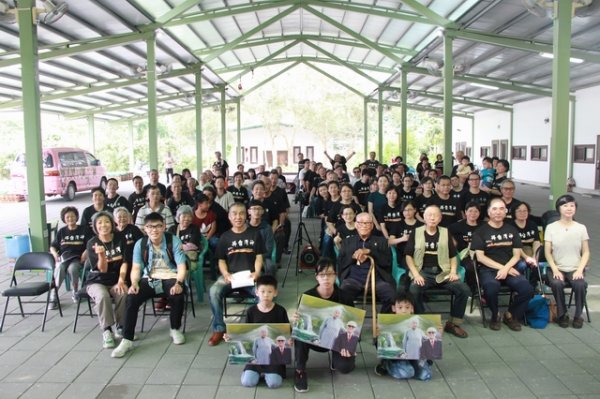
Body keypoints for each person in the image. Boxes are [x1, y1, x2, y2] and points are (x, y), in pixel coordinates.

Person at [111, 212, 188, 358]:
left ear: (164, 226)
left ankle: (175, 328)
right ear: (145, 229)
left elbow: (181, 267)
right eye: (150, 227)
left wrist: (179, 282)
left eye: (158, 226)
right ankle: (127, 339)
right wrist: (134, 283)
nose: (154, 230)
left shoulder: (174, 241)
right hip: (150, 277)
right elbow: (136, 268)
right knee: (131, 297)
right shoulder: (140, 244)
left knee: (177, 294)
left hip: (171, 276)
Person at [404, 205, 470, 338]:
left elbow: (452, 255)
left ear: (440, 218)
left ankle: (453, 323)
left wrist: (452, 271)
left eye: (435, 215)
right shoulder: (416, 232)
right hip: (423, 272)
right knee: (414, 289)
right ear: (424, 217)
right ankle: (421, 322)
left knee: (463, 289)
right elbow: (408, 256)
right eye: (429, 215)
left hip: (443, 273)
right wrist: (416, 274)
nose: (432, 218)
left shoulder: (445, 232)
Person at [471, 197, 534, 331]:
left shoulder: (512, 230)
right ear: (488, 212)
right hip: (488, 269)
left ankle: (511, 314)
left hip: (510, 268)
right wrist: (503, 269)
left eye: (501, 209)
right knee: (491, 287)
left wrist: (506, 268)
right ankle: (495, 314)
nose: (498, 212)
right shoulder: (480, 232)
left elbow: (517, 254)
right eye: (494, 209)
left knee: (527, 289)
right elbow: (481, 258)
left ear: (506, 212)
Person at [294, 257, 355, 393]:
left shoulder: (345, 297)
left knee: (346, 367)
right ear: (317, 277)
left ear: (335, 276)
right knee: (298, 331)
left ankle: (336, 358)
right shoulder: (307, 297)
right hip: (315, 339)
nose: (326, 278)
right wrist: (296, 320)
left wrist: (349, 345)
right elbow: (300, 323)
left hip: (336, 340)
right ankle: (300, 370)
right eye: (322, 274)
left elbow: (354, 324)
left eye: (330, 274)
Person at [208, 203, 265, 346]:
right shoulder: (225, 237)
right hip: (231, 276)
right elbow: (221, 260)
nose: (238, 217)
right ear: (229, 216)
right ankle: (219, 328)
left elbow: (259, 257)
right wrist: (226, 274)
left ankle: (257, 328)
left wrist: (257, 272)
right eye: (234, 213)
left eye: (241, 213)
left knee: (263, 294)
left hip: (250, 276)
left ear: (246, 215)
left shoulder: (254, 234)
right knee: (214, 291)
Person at [544, 194, 590, 329]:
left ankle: (578, 316)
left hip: (575, 267)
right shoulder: (551, 227)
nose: (569, 208)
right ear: (559, 208)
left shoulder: (581, 227)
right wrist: (555, 269)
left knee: (580, 285)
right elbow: (547, 251)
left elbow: (586, 251)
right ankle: (562, 315)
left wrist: (580, 270)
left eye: (572, 206)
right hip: (556, 267)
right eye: (565, 206)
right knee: (557, 283)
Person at [84, 211, 128, 349]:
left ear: (112, 223)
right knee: (102, 296)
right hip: (97, 281)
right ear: (95, 226)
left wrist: (121, 280)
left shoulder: (120, 238)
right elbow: (102, 270)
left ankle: (120, 326)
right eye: (100, 223)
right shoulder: (92, 243)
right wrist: (102, 255)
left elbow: (125, 262)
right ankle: (107, 330)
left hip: (116, 279)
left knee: (123, 293)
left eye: (107, 221)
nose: (104, 225)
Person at [238, 275, 290, 388]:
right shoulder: (251, 311)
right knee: (247, 382)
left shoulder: (280, 311)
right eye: (263, 291)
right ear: (257, 292)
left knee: (274, 383)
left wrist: (289, 340)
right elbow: (246, 334)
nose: (266, 295)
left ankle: (267, 373)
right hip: (256, 357)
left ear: (275, 293)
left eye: (270, 291)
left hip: (273, 358)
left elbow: (287, 333)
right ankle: (254, 372)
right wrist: (231, 337)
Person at [337, 212, 396, 313]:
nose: (364, 226)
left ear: (372, 225)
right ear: (356, 225)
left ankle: (381, 323)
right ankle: (352, 323)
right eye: (360, 223)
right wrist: (355, 255)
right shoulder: (347, 242)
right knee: (342, 295)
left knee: (392, 296)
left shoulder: (382, 241)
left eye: (367, 223)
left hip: (377, 280)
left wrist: (370, 251)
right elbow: (341, 263)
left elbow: (387, 262)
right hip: (353, 280)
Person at [374, 293, 432, 381]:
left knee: (426, 375)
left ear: (412, 308)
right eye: (400, 307)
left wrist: (435, 334)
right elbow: (382, 346)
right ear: (394, 308)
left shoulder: (418, 323)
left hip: (415, 355)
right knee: (407, 372)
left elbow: (426, 344)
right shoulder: (388, 324)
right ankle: (386, 364)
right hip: (397, 357)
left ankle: (413, 366)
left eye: (407, 307)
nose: (404, 311)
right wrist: (378, 337)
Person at [49, 206, 91, 307]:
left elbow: (91, 244)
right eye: (67, 217)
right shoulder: (62, 231)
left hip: (77, 258)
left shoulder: (84, 230)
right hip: (64, 258)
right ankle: (54, 295)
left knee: (73, 269)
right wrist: (54, 254)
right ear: (64, 219)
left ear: (76, 217)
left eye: (72, 216)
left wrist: (86, 252)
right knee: (59, 268)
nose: (70, 219)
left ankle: (75, 292)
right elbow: (53, 246)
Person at [449, 201, 482, 292]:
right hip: (464, 256)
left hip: (481, 254)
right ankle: (473, 292)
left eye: (476, 211)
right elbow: (446, 234)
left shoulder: (484, 226)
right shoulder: (457, 226)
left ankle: (483, 290)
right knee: (471, 267)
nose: (473, 214)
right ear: (465, 212)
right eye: (470, 211)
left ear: (479, 213)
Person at [510, 201, 541, 288]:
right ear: (514, 213)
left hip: (530, 251)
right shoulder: (510, 226)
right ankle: (519, 287)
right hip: (516, 253)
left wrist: (535, 256)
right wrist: (526, 258)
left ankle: (533, 286)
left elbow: (536, 241)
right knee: (522, 265)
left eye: (525, 211)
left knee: (536, 265)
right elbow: (515, 246)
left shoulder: (532, 225)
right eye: (519, 211)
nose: (522, 213)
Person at [113, 206, 144, 285]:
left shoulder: (134, 229)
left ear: (128, 218)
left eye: (125, 216)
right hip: (117, 258)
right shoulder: (112, 231)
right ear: (115, 219)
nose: (122, 219)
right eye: (119, 217)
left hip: (133, 258)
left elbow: (142, 242)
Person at [247, 200, 276, 276]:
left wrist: (258, 258)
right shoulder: (245, 227)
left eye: (259, 209)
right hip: (246, 256)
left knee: (271, 266)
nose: (256, 211)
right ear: (249, 211)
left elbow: (269, 248)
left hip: (263, 257)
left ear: (262, 211)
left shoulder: (267, 228)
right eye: (254, 209)